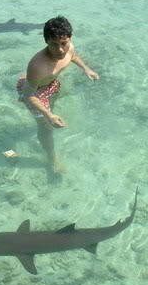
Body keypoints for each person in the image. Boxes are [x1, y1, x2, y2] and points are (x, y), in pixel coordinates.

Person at [16, 16, 99, 173]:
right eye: (54, 45)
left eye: (63, 43)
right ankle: (52, 159)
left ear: (70, 38)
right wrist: (48, 115)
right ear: (46, 41)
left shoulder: (70, 47)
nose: (60, 49)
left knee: (52, 107)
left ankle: (47, 117)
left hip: (50, 84)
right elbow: (28, 94)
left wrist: (86, 68)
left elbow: (72, 56)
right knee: (47, 127)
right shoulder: (37, 65)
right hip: (34, 92)